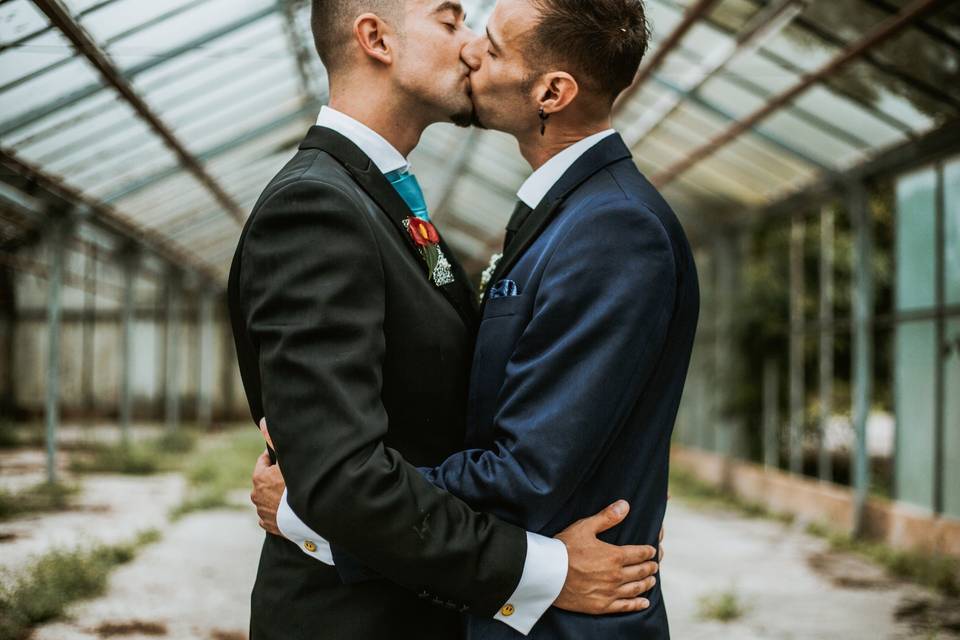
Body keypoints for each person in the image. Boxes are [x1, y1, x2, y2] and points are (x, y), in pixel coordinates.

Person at [252, 0, 700, 637]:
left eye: (488, 42)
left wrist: (315, 510)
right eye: (453, 23)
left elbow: (527, 468)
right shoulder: (324, 205)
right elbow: (354, 455)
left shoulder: (611, 227)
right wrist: (335, 492)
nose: (469, 50)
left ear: (551, 92)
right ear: (375, 39)